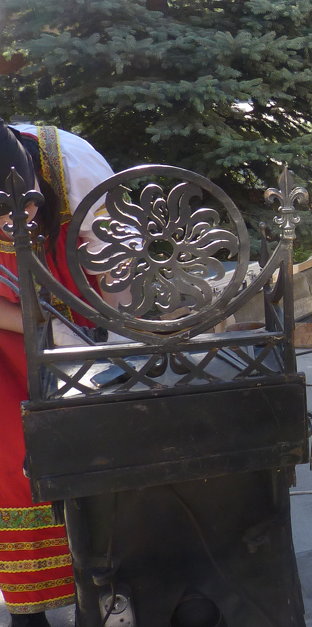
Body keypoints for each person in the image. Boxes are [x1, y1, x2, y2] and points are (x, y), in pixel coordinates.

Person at [0, 121, 116, 627]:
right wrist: (40, 326)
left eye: (28, 204)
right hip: (8, 342)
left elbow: (114, 255)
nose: (22, 218)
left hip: (73, 314)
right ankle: (29, 607)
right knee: (14, 465)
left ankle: (106, 578)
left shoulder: (69, 159)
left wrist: (120, 328)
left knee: (95, 447)